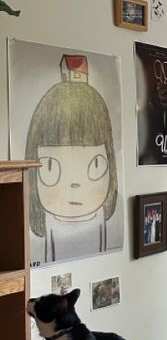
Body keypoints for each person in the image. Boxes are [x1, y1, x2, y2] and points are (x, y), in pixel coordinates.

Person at [25, 54, 119, 263]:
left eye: (95, 165)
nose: (74, 184)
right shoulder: (42, 232)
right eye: (50, 167)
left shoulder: (102, 221)